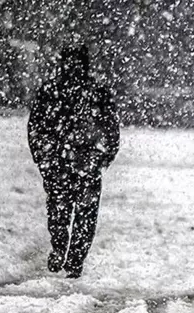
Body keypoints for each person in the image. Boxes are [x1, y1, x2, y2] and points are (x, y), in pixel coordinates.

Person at [28, 44, 120, 278]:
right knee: (85, 216)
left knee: (59, 210)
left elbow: (35, 127)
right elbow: (111, 129)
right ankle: (74, 259)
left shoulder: (50, 91)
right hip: (86, 163)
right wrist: (103, 157)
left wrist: (43, 157)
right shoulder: (96, 92)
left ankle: (60, 249)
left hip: (59, 162)